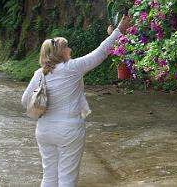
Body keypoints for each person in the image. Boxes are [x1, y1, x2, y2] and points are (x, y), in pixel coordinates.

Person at [21, 16, 132, 187]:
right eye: (66, 48)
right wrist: (118, 31)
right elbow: (101, 52)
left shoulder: (39, 74)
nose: (70, 49)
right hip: (69, 130)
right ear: (60, 53)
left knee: (49, 176)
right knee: (67, 179)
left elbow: (24, 101)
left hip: (44, 130)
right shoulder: (71, 68)